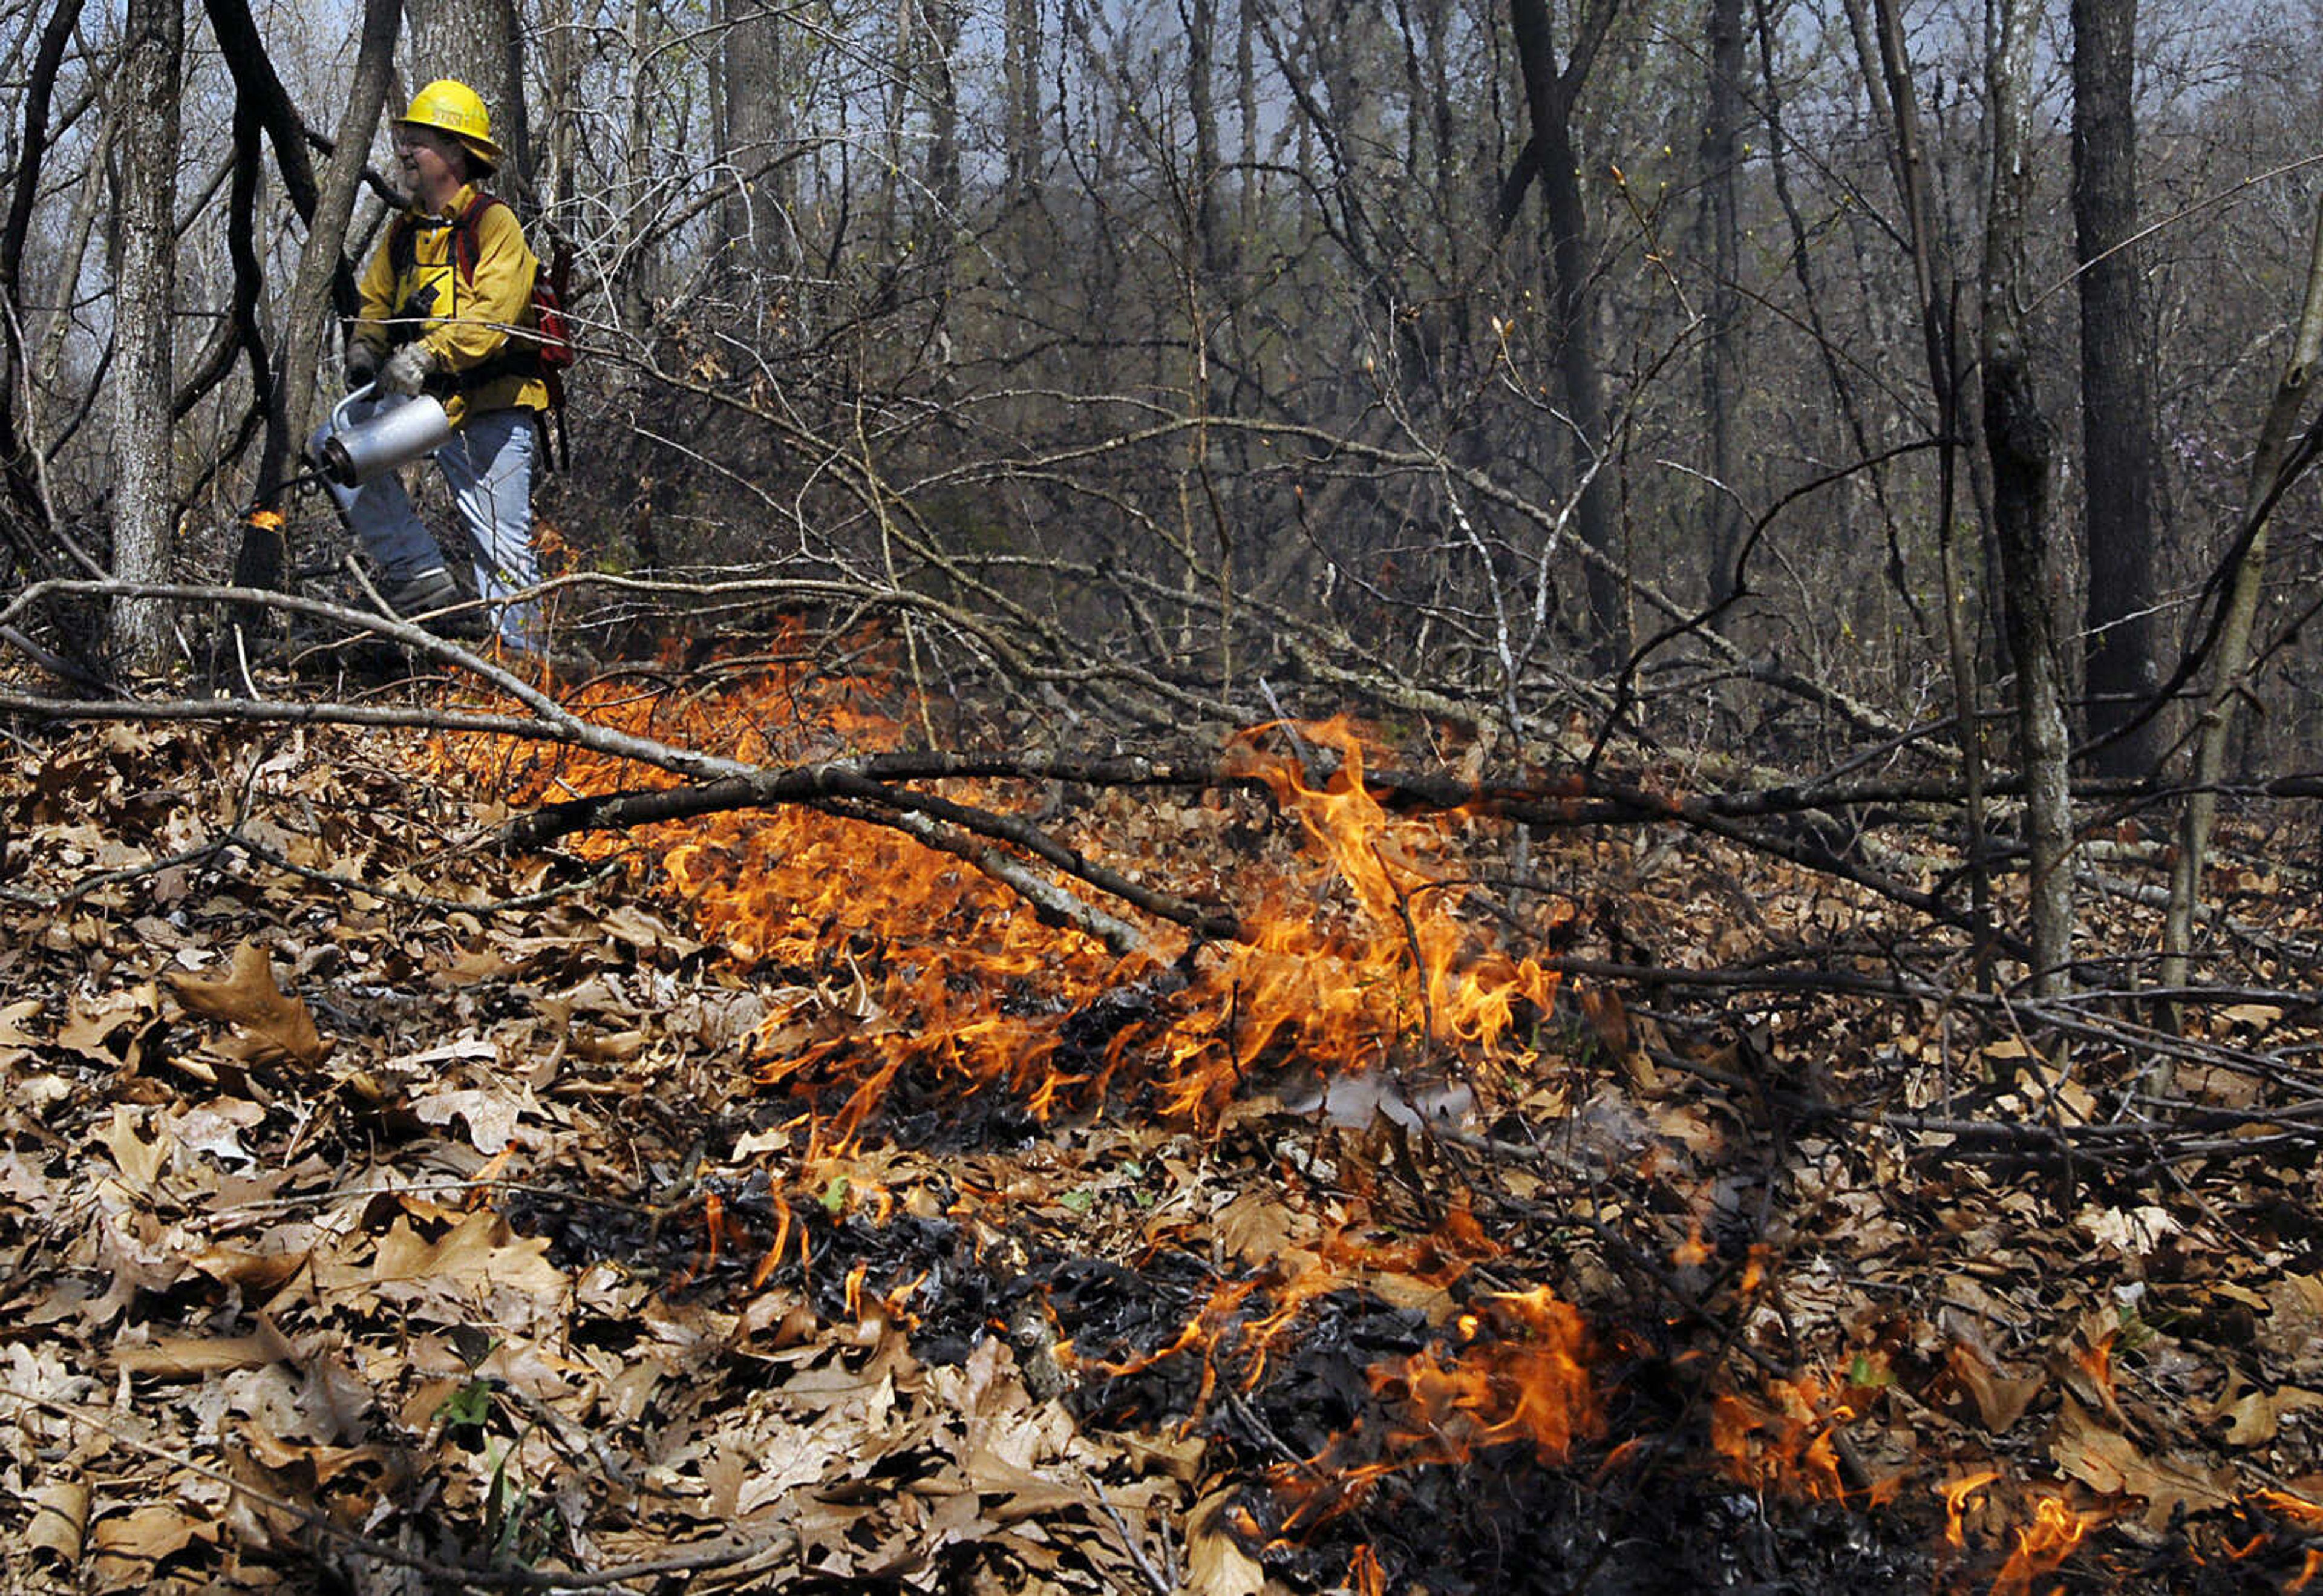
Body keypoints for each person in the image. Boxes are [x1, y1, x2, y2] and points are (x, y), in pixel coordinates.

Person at [311, 79, 549, 651]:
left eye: (415, 141)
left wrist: (428, 353)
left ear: (454, 152)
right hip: (425, 404)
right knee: (335, 446)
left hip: (490, 406)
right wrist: (366, 350)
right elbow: (375, 301)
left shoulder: (494, 226)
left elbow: (494, 317)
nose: (402, 153)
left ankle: (528, 673)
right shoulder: (405, 231)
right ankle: (419, 574)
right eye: (404, 139)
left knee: (503, 550)